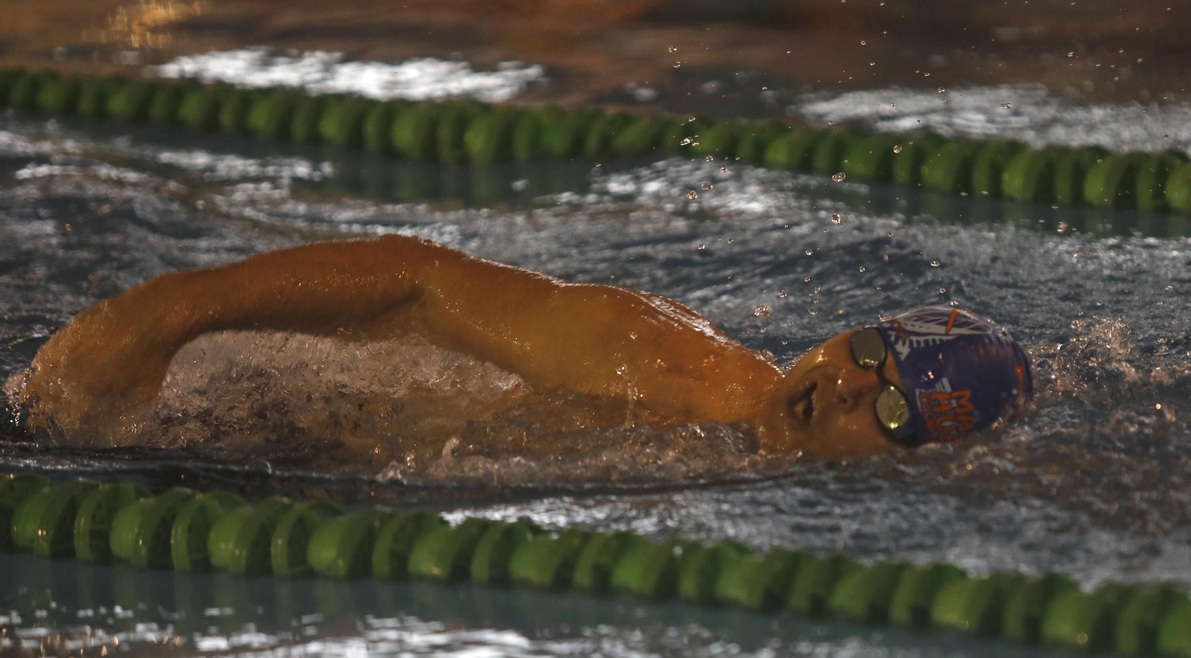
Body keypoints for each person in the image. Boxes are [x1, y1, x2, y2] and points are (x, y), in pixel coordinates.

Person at [15, 235, 1033, 456]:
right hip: (213, 433)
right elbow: (420, 286)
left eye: (891, 408)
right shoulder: (655, 360)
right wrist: (174, 308)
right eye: (864, 350)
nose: (843, 390)